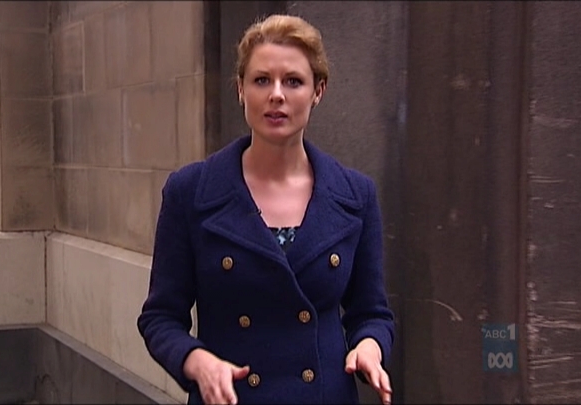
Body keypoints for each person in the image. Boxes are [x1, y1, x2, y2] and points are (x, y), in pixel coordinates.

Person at [137, 14, 395, 405]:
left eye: (293, 81)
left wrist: (369, 347)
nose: (276, 95)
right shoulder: (190, 192)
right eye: (261, 80)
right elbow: (160, 318)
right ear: (240, 89)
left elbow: (372, 312)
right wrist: (196, 361)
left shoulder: (355, 195)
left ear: (318, 91)